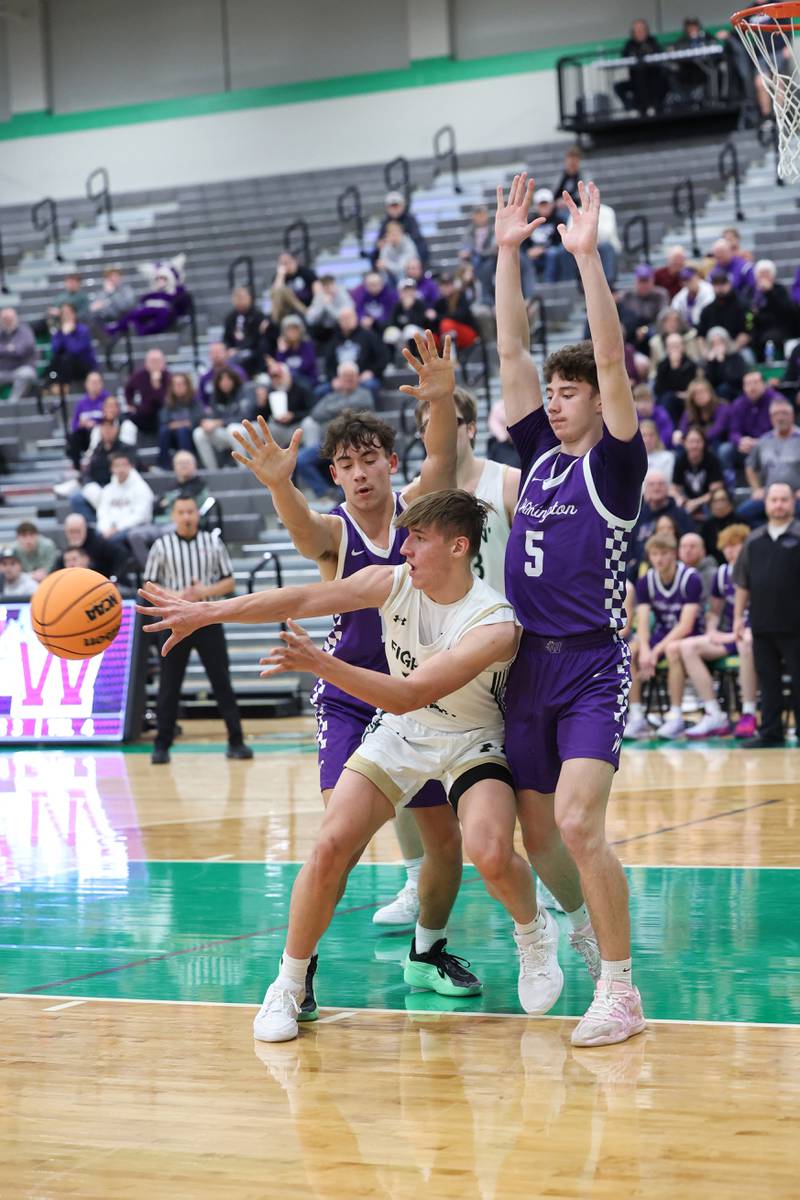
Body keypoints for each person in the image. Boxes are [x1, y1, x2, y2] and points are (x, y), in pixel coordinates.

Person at [138, 490, 565, 1044]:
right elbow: (305, 595)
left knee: (486, 849)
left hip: (471, 740)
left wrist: (323, 664)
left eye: (418, 538)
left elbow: (411, 692)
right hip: (405, 735)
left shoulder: (493, 623)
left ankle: (534, 937)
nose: (404, 546)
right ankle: (288, 984)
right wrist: (207, 613)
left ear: (458, 547)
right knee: (331, 843)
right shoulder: (391, 583)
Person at [229, 336, 466, 1001]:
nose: (360, 474)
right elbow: (303, 532)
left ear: (391, 464)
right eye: (345, 465)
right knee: (344, 837)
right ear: (333, 475)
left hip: (417, 697)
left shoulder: (420, 510)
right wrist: (280, 485)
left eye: (369, 461)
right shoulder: (335, 532)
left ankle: (428, 950)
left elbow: (443, 456)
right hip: (349, 699)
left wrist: (442, 399)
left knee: (446, 845)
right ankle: (298, 975)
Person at [495, 173, 646, 1045]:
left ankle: (621, 991)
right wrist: (509, 253)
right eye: (552, 390)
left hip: (590, 660)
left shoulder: (614, 466)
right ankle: (582, 928)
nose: (553, 398)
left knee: (581, 821)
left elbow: (615, 360)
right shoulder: (540, 459)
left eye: (569, 390)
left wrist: (586, 259)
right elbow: (511, 355)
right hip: (525, 666)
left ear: (596, 404)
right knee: (540, 833)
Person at [142, 495, 253, 765]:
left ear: (197, 514)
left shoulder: (212, 542)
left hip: (208, 620)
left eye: (191, 511)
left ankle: (236, 741)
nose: (187, 516)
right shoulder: (162, 545)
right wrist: (179, 596)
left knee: (221, 682)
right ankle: (161, 745)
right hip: (174, 623)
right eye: (181, 512)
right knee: (169, 685)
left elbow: (229, 582)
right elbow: (149, 586)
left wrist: (203, 592)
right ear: (173, 516)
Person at [733, 481, 800, 747]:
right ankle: (771, 732)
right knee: (768, 682)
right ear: (766, 503)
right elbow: (742, 582)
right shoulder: (754, 539)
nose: (779, 504)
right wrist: (738, 617)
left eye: (784, 499)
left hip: (796, 625)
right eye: (774, 499)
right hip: (762, 623)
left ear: (792, 502)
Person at [678, 524, 758, 739]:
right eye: (727, 547)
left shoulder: (756, 570)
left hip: (753, 633)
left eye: (736, 545)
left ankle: (749, 712)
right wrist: (713, 630)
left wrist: (739, 632)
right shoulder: (722, 573)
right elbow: (714, 612)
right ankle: (714, 713)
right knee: (687, 646)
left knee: (746, 642)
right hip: (730, 634)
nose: (731, 551)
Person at [626, 533, 704, 740]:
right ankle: (636, 717)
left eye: (664, 553)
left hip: (689, 634)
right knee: (629, 651)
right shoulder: (645, 581)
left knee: (672, 650)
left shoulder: (691, 578)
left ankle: (676, 716)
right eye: (654, 554)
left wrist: (655, 651)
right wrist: (644, 650)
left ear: (674, 554)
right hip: (661, 634)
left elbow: (686, 625)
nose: (659, 559)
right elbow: (642, 621)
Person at [128, 449, 209, 569]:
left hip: (178, 524)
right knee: (135, 535)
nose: (184, 466)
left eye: (187, 462)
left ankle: (171, 570)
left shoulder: (200, 486)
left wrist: (170, 504)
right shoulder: (171, 485)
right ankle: (152, 570)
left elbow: (199, 514)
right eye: (180, 463)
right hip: (159, 523)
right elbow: (157, 506)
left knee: (172, 532)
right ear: (174, 466)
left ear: (194, 465)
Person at [738, 397, 800, 526]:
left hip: (796, 496)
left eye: (784, 413)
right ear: (771, 418)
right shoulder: (764, 441)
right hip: (770, 496)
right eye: (776, 414)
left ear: (792, 416)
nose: (780, 418)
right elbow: (750, 465)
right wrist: (756, 489)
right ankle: (769, 535)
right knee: (742, 513)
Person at [95, 449, 154, 571]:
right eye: (117, 465)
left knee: (112, 542)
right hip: (111, 530)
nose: (121, 469)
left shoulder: (141, 487)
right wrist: (105, 529)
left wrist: (116, 529)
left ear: (130, 466)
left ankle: (119, 576)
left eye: (124, 465)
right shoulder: (108, 489)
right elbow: (102, 512)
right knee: (94, 538)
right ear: (111, 468)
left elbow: (141, 516)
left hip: (134, 528)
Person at [630, 469, 694, 568]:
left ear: (668, 488)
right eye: (652, 484)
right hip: (642, 568)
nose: (656, 488)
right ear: (645, 489)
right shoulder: (636, 515)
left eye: (661, 484)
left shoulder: (681, 514)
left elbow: (690, 542)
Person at [246, 360, 313, 451]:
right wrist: (261, 404)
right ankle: (260, 462)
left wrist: (293, 415)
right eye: (272, 377)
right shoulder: (270, 391)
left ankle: (309, 455)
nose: (276, 379)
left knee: (309, 422)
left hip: (298, 426)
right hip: (279, 428)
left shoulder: (301, 387)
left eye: (278, 375)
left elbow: (312, 410)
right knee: (253, 428)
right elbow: (259, 418)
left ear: (286, 374)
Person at [725, 371, 783, 472]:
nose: (752, 387)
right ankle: (730, 483)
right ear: (743, 387)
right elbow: (733, 431)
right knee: (725, 450)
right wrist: (740, 441)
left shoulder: (777, 401)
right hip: (746, 446)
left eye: (755, 382)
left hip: (770, 444)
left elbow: (781, 430)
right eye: (748, 384)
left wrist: (761, 442)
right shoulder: (738, 404)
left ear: (764, 384)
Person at [192, 367, 245, 470]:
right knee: (199, 433)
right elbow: (213, 417)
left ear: (234, 380)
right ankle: (212, 470)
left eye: (228, 379)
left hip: (247, 432)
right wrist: (206, 422)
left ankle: (243, 468)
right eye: (222, 380)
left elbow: (245, 416)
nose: (225, 382)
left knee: (234, 429)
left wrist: (219, 422)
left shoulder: (243, 391)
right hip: (225, 433)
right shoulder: (215, 396)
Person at [322, 309, 385, 393]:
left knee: (370, 385)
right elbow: (328, 365)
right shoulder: (334, 340)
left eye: (349, 317)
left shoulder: (369, 335)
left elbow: (383, 357)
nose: (347, 321)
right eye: (344, 318)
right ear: (339, 321)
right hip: (340, 380)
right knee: (320, 391)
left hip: (362, 378)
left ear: (356, 318)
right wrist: (333, 379)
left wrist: (372, 372)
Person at [614, 19, 666, 115]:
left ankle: (655, 106)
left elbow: (659, 56)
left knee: (666, 80)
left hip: (653, 79)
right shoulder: (629, 44)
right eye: (637, 30)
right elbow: (624, 58)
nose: (640, 33)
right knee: (618, 87)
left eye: (642, 30)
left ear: (646, 31)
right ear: (633, 33)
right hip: (635, 81)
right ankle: (632, 108)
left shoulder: (652, 41)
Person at [749, 259, 798, 360]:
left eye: (767, 273)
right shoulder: (751, 292)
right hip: (759, 329)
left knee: (771, 339)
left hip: (779, 327)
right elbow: (748, 313)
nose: (764, 277)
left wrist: (770, 292)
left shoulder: (779, 289)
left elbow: (787, 310)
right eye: (761, 274)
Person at [697, 269, 751, 355]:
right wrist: (705, 353)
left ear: (729, 284)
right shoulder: (707, 310)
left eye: (723, 283)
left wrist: (730, 350)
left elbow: (748, 331)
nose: (720, 287)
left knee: (747, 356)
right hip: (712, 350)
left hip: (737, 349)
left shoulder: (744, 307)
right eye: (716, 284)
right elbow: (700, 335)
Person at [672, 426, 724, 517]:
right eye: (691, 442)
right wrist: (679, 499)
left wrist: (695, 503)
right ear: (685, 443)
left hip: (707, 501)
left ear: (704, 443)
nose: (694, 446)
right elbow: (675, 488)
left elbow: (715, 490)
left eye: (698, 441)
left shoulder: (712, 460)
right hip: (688, 501)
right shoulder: (680, 460)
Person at [66, 371, 111, 469]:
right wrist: (81, 424)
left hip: (102, 434)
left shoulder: (107, 399)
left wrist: (96, 423)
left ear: (102, 384)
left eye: (97, 382)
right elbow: (74, 424)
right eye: (92, 382)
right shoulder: (82, 403)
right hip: (85, 435)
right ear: (86, 385)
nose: (95, 385)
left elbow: (112, 418)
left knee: (97, 432)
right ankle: (77, 467)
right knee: (73, 437)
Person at [619, 265, 669, 353]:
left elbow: (663, 319)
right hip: (631, 333)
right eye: (641, 281)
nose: (644, 285)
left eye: (646, 281)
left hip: (653, 331)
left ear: (652, 280)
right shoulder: (627, 296)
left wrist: (645, 329)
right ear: (636, 281)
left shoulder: (660, 295)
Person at [158, 372, 202, 470]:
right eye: (176, 384)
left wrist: (178, 424)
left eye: (181, 384)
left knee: (182, 431)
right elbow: (164, 421)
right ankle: (163, 466)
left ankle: (187, 464)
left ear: (187, 385)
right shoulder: (168, 403)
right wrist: (183, 423)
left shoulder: (194, 401)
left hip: (190, 436)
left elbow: (197, 419)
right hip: (173, 437)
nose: (179, 387)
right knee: (163, 430)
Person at [45, 303, 97, 386]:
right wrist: (63, 333)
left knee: (67, 358)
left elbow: (75, 350)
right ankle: (51, 384)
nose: (66, 317)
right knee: (55, 361)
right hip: (65, 367)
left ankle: (63, 385)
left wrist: (67, 335)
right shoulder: (58, 332)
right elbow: (55, 350)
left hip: (84, 366)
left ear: (74, 315)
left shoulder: (83, 330)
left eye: (68, 313)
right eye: (63, 314)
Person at [124, 349, 172, 437]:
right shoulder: (139, 375)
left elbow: (162, 401)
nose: (155, 364)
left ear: (163, 363)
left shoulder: (168, 376)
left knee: (163, 416)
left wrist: (156, 384)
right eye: (152, 361)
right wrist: (130, 404)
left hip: (163, 412)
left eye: (157, 361)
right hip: (144, 413)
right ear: (146, 363)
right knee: (124, 418)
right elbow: (128, 389)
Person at [653, 331, 698, 424]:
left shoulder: (691, 364)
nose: (675, 348)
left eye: (677, 345)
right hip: (668, 399)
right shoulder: (662, 365)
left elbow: (690, 386)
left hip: (687, 399)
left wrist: (676, 368)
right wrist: (674, 367)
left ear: (683, 347)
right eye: (671, 346)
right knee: (667, 398)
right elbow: (659, 389)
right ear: (666, 348)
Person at [674, 377, 730, 451]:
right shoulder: (690, 411)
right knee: (680, 447)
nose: (699, 396)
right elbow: (683, 429)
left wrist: (697, 439)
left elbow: (718, 430)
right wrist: (682, 436)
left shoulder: (722, 407)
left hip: (717, 442)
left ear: (710, 392)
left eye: (702, 391)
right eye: (695, 394)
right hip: (696, 444)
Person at [52, 512, 116, 576]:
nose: (75, 535)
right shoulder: (65, 547)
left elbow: (120, 558)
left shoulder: (100, 544)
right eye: (71, 532)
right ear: (66, 532)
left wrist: (114, 578)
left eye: (77, 531)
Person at [374, 191, 428, 266]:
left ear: (402, 205)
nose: (394, 209)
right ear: (387, 208)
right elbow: (379, 241)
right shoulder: (385, 222)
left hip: (408, 252)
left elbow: (416, 237)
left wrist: (399, 239)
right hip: (391, 253)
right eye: (392, 206)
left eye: (396, 206)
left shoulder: (410, 219)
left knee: (422, 246)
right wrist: (383, 242)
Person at [222, 287, 263, 376]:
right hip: (234, 352)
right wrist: (228, 348)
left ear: (250, 298)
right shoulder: (230, 318)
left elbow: (257, 338)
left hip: (253, 351)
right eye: (237, 298)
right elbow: (226, 338)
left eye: (242, 297)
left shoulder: (257, 316)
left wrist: (240, 349)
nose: (239, 301)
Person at [0, 308, 38, 402]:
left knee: (25, 374)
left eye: (10, 319)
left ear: (15, 318)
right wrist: (9, 348)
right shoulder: (1, 333)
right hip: (4, 371)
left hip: (23, 368)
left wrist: (6, 349)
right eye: (5, 319)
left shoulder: (25, 331)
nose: (7, 321)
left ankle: (12, 402)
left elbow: (21, 350)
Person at [701, 326, 747, 400]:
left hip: (735, 391)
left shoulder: (736, 357)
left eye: (719, 342)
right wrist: (711, 364)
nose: (717, 346)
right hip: (715, 393)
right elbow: (709, 382)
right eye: (713, 343)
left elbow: (734, 380)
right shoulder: (710, 360)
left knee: (724, 388)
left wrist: (722, 362)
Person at [89, 266, 135, 337]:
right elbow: (96, 309)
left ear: (120, 277)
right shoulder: (102, 292)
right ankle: (107, 341)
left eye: (115, 276)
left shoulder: (126, 290)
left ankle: (109, 342)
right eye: (110, 277)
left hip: (122, 320)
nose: (113, 279)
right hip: (106, 321)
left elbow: (123, 308)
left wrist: (112, 293)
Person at [267, 252, 316, 318]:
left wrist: (314, 307)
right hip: (286, 311)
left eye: (287, 262)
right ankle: (274, 321)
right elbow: (275, 294)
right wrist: (280, 275)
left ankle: (305, 311)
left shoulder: (306, 272)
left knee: (283, 290)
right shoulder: (278, 277)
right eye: (282, 263)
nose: (285, 265)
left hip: (307, 307)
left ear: (295, 260)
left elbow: (318, 291)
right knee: (281, 290)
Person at [700, 483, 738, 562]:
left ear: (729, 502)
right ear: (711, 505)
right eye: (715, 501)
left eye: (722, 500)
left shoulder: (740, 521)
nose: (719, 504)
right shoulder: (707, 525)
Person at [679, 530, 718, 597]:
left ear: (703, 551)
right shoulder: (675, 573)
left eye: (693, 546)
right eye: (684, 546)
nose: (688, 550)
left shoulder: (714, 575)